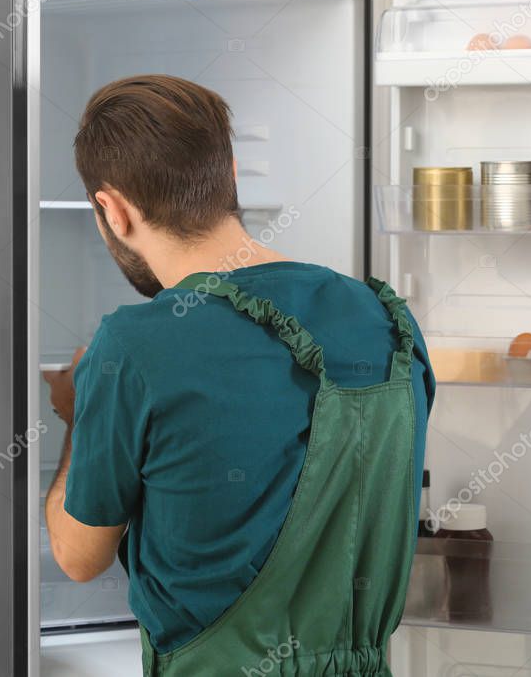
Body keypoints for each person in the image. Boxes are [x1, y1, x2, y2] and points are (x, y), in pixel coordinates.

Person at [43, 74, 435, 676]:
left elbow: (77, 556)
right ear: (229, 172)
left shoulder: (133, 344)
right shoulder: (385, 317)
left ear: (112, 210)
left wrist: (79, 418)